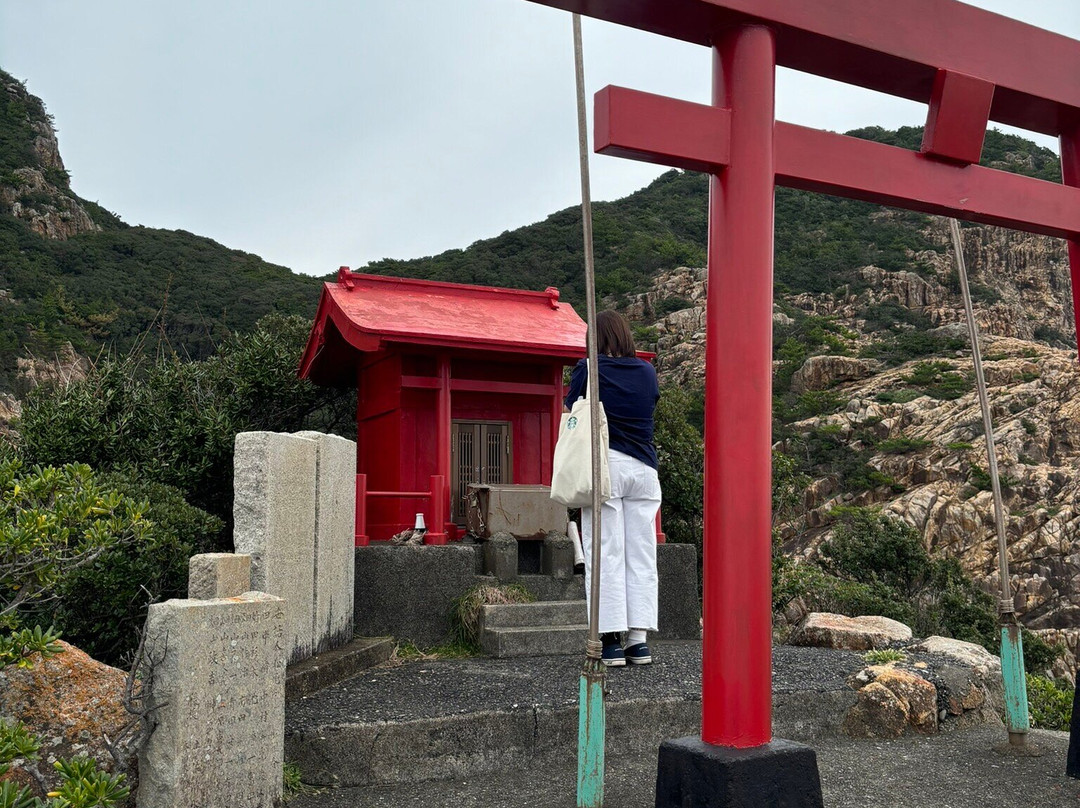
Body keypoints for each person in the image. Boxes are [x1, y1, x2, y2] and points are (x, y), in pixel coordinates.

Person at [564, 310, 661, 666]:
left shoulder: (588, 369)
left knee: (605, 552)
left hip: (606, 466)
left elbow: (572, 409)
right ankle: (639, 641)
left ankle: (609, 641)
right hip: (645, 470)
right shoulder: (647, 372)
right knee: (641, 553)